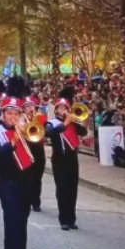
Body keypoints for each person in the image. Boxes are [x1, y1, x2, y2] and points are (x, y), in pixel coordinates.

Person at [0, 85, 35, 249]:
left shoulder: (27, 130)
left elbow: (36, 157)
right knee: (12, 218)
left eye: (16, 113)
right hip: (6, 180)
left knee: (23, 218)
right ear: (3, 114)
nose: (13, 117)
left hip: (26, 179)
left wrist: (29, 137)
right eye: (10, 113)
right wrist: (12, 142)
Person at [45, 86, 87, 230]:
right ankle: (63, 219)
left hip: (72, 158)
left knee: (72, 189)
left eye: (65, 107)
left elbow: (84, 131)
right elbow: (50, 133)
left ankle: (71, 218)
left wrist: (76, 120)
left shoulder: (73, 122)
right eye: (60, 108)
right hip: (59, 158)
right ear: (56, 110)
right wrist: (65, 123)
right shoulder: (52, 123)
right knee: (62, 189)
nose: (62, 110)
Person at [22, 95, 47, 212]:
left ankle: (36, 201)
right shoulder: (21, 118)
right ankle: (26, 199)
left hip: (38, 149)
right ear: (24, 108)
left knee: (37, 177)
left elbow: (43, 130)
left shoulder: (40, 117)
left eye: (31, 105)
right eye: (27, 106)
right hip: (26, 149)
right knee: (27, 176)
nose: (30, 108)